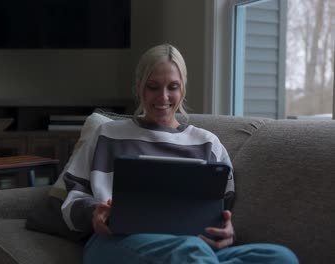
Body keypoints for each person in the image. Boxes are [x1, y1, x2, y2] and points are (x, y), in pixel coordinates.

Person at [61, 44, 298, 264]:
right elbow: (71, 200)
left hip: (197, 248)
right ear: (139, 87)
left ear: (182, 88)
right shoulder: (107, 135)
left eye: (172, 87)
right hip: (116, 242)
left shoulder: (208, 144)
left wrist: (227, 231)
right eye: (153, 87)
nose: (163, 97)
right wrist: (95, 212)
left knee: (279, 257)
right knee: (189, 252)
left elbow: (221, 212)